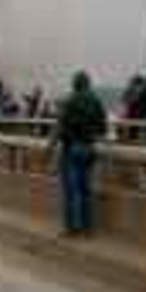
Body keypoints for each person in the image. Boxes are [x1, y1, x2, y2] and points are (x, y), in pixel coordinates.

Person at [51, 71, 107, 236]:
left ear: (75, 84)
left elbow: (59, 128)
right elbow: (102, 129)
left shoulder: (70, 101)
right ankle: (88, 228)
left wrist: (48, 149)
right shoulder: (96, 101)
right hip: (89, 149)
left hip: (71, 150)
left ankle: (71, 228)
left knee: (70, 191)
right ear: (88, 84)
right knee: (86, 190)